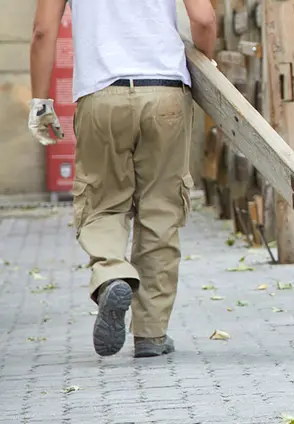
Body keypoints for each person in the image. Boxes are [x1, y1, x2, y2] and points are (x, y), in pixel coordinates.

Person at [28, 0, 217, 358]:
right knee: (161, 209)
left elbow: (42, 31)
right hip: (166, 92)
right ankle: (151, 334)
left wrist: (40, 101)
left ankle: (112, 274)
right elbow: (204, 19)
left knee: (101, 201)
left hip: (101, 96)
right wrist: (208, 65)